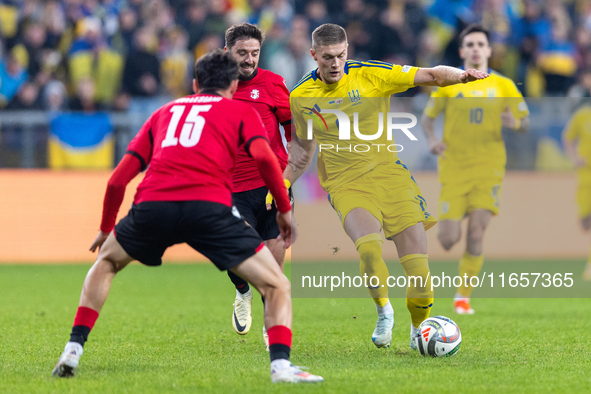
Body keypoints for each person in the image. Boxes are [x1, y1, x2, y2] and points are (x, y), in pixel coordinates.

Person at [52, 50, 323, 384]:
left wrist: (106, 228)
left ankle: (73, 349)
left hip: (153, 205)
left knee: (105, 264)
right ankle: (281, 368)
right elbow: (266, 161)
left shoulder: (164, 112)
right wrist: (283, 208)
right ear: (234, 83)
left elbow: (118, 179)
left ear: (195, 84)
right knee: (277, 284)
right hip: (209, 207)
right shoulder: (240, 110)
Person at [290, 23, 488, 350]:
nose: (335, 63)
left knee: (419, 271)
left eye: (340, 55)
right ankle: (384, 310)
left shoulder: (372, 74)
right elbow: (302, 150)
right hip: (345, 182)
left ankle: (418, 328)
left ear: (347, 51)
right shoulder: (300, 96)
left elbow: (431, 75)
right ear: (314, 56)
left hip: (389, 174)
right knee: (369, 249)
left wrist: (463, 76)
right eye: (327, 58)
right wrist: (280, 185)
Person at [421, 24, 530, 314]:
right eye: (470, 44)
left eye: (481, 44)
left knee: (477, 233)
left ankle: (462, 297)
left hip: (489, 168)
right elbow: (427, 120)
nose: (475, 49)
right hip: (454, 169)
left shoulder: (504, 85)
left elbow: (525, 122)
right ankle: (461, 211)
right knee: (447, 240)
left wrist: (514, 123)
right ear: (462, 51)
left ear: (489, 51)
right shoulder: (449, 83)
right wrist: (432, 141)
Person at [222, 23, 294, 348]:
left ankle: (271, 321)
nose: (249, 59)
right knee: (236, 252)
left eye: (254, 53)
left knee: (274, 261)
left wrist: (292, 166)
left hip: (272, 184)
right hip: (232, 185)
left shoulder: (273, 84)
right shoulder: (216, 88)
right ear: (228, 52)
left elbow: (293, 130)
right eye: (242, 53)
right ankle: (242, 291)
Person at [562, 103, 591, 280]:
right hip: (586, 176)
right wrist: (574, 158)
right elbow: (568, 137)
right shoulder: (582, 115)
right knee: (585, 222)